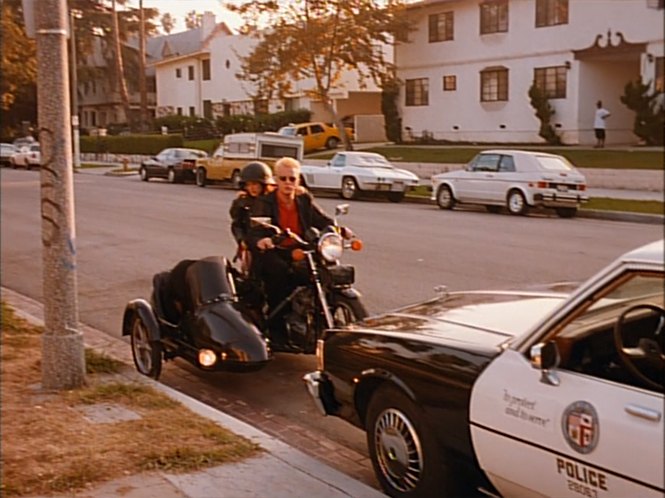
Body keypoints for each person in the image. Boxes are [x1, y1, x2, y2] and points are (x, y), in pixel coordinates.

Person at [247, 157, 352, 345]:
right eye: (283, 179)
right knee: (279, 274)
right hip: (274, 251)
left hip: (301, 248)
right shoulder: (265, 202)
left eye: (292, 179)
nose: (288, 183)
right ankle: (277, 330)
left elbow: (323, 220)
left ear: (298, 180)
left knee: (322, 272)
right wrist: (262, 240)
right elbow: (254, 231)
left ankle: (315, 317)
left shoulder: (303, 200)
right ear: (276, 181)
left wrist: (340, 230)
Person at [229, 161, 275, 273]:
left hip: (272, 243)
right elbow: (236, 224)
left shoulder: (273, 200)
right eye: (248, 185)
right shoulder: (242, 202)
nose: (252, 188)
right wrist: (241, 240)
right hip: (251, 245)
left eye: (255, 184)